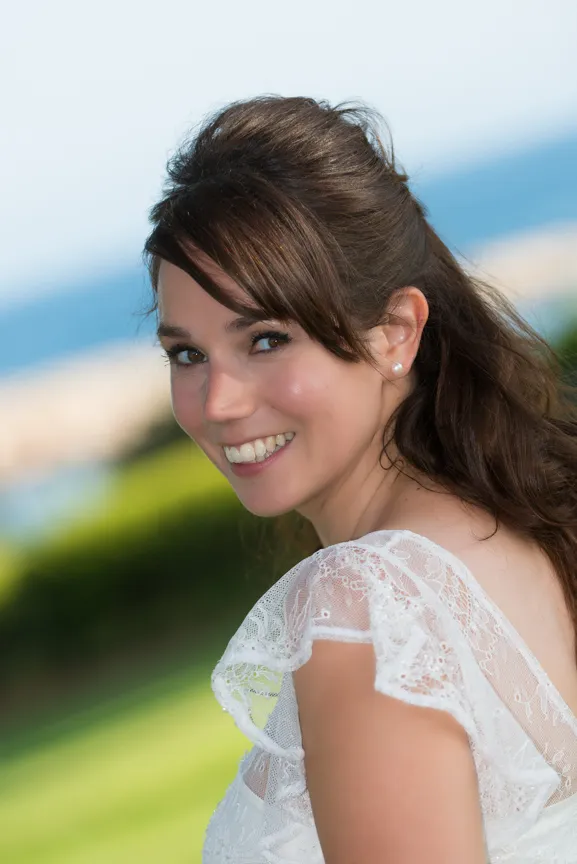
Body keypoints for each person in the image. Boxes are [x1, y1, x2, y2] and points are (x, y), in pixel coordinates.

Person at [143, 96, 577, 863]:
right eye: (187, 354)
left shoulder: (368, 605)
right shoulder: (519, 530)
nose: (217, 402)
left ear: (395, 332)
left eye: (266, 339)